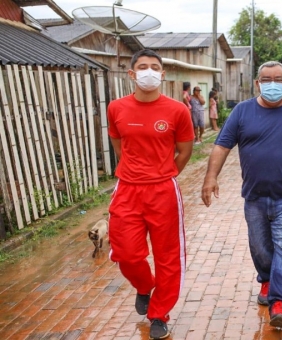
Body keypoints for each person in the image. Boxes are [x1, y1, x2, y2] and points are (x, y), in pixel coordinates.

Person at [202, 61, 282, 328]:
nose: (272, 83)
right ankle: (267, 280)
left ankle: (280, 302)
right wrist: (210, 177)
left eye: (278, 79)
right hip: (255, 196)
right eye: (266, 79)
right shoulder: (242, 111)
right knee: (260, 248)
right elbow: (222, 146)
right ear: (257, 83)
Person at [107, 49, 194, 340]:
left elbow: (184, 152)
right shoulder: (116, 108)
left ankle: (159, 314)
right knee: (126, 253)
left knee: (168, 256)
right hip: (127, 189)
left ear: (162, 74)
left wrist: (163, 174)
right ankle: (145, 286)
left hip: (163, 191)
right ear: (131, 74)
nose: (148, 71)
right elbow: (120, 147)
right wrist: (136, 171)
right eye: (142, 67)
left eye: (154, 67)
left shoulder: (177, 110)